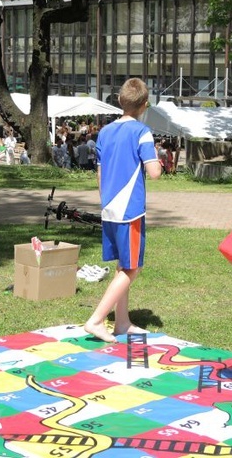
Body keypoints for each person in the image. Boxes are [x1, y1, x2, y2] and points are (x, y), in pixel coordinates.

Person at [83, 78, 162, 343]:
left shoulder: (104, 132)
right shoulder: (142, 132)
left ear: (119, 101)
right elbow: (155, 173)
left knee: (122, 265)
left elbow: (100, 171)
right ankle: (96, 319)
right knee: (132, 269)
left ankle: (122, 322)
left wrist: (105, 201)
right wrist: (156, 157)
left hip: (109, 208)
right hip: (130, 211)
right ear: (145, 105)